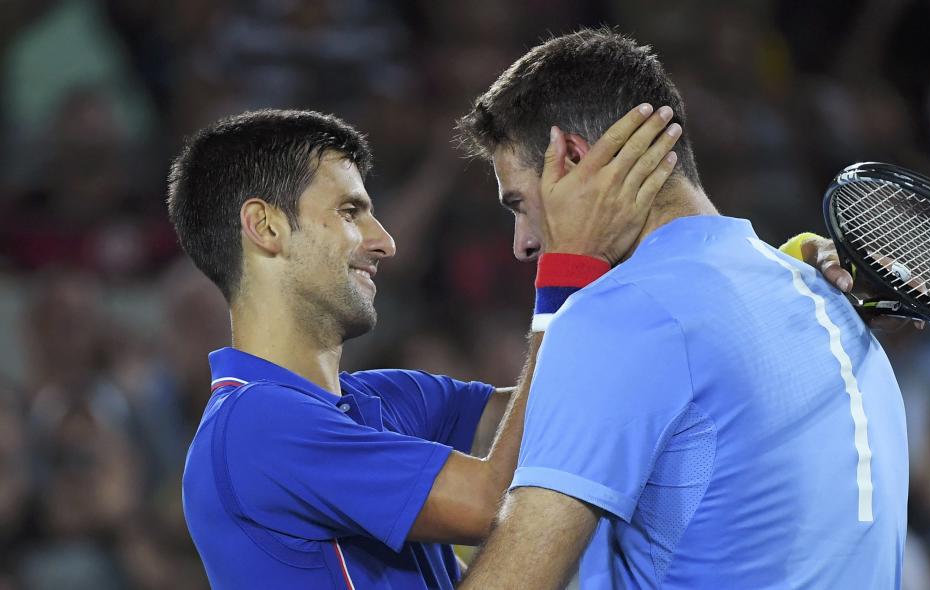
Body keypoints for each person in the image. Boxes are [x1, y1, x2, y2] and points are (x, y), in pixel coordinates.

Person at [456, 28, 908, 589]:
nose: (522, 242)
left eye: (520, 204)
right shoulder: (823, 293)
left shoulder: (621, 317)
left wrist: (565, 291)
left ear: (571, 158)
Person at [170, 106, 684, 588]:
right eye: (351, 211)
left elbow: (559, 410)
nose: (385, 241)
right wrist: (569, 264)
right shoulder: (255, 424)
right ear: (266, 227)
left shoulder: (384, 400)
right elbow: (490, 500)